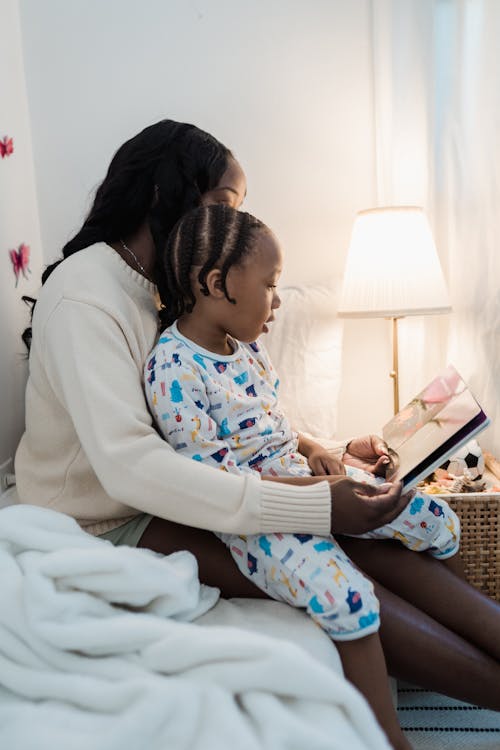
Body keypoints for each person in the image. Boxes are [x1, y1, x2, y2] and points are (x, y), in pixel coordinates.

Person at [15, 120, 500, 745]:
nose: (228, 231)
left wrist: (317, 452)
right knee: (336, 565)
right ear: (169, 197)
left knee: (382, 530)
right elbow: (130, 466)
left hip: (181, 486)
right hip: (109, 517)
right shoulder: (87, 294)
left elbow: (247, 420)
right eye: (223, 208)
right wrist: (309, 503)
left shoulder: (169, 293)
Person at [142, 202, 464, 748]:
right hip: (259, 517)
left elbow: (273, 426)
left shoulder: (248, 349)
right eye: (270, 285)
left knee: (437, 519)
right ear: (217, 284)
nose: (278, 300)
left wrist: (317, 448)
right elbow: (217, 482)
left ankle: (436, 664)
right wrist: (322, 493)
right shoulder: (172, 368)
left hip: (305, 480)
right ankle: (388, 737)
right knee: (347, 597)